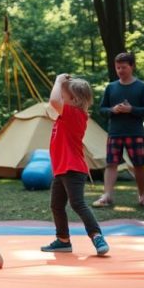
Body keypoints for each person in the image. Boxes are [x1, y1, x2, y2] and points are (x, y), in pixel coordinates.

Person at [41, 74, 110, 256]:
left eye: (64, 97)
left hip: (73, 168)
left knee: (78, 203)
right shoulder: (66, 116)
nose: (60, 100)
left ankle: (97, 236)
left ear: (75, 100)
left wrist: (58, 80)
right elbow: (54, 104)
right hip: (62, 169)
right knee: (56, 205)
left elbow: (54, 101)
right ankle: (63, 240)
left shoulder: (75, 114)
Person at [93, 52, 144, 208]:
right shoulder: (111, 87)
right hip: (115, 132)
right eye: (118, 67)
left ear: (132, 67)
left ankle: (142, 196)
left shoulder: (142, 87)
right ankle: (107, 196)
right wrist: (112, 110)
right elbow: (101, 110)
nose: (120, 70)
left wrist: (131, 109)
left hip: (135, 133)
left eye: (124, 67)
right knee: (111, 164)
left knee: (139, 164)